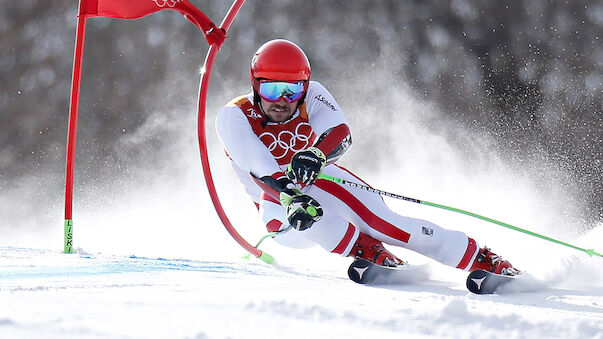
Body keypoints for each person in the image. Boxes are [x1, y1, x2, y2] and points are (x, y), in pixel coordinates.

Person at [216, 39, 519, 275]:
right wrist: (290, 194)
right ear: (255, 84)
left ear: (304, 87)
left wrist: (316, 154)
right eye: (271, 89)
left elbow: (341, 133)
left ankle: (479, 258)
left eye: (292, 90)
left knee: (386, 222)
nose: (282, 100)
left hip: (322, 180)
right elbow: (258, 166)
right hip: (276, 205)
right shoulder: (235, 115)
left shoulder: (314, 95)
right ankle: (366, 248)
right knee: (308, 219)